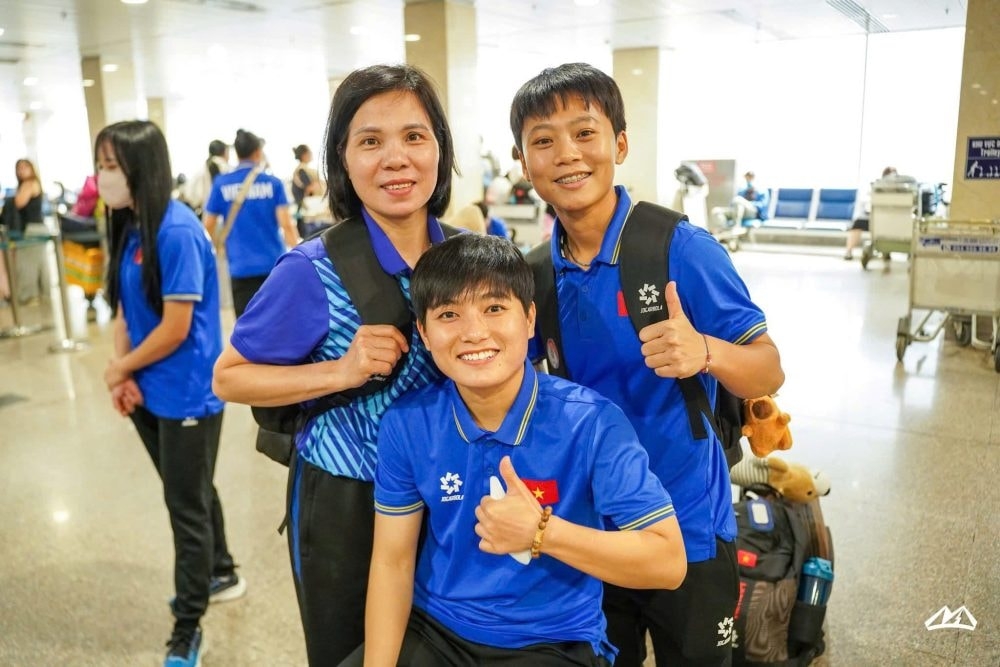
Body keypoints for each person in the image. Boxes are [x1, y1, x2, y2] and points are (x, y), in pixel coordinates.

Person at [511, 63, 784, 666]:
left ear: (620, 144)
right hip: (590, 527)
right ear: (523, 162)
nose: (566, 155)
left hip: (687, 524)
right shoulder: (531, 275)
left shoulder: (681, 250)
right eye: (543, 141)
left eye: (585, 132)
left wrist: (705, 352)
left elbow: (768, 370)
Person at [211, 63, 459, 666]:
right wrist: (341, 370)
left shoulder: (465, 258)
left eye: (414, 136)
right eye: (370, 141)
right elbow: (229, 375)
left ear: (440, 151)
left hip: (454, 493)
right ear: (343, 161)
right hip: (351, 503)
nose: (395, 158)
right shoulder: (311, 270)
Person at [354, 234, 686, 667]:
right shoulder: (408, 422)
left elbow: (668, 560)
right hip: (437, 629)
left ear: (529, 319)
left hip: (551, 641)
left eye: (494, 309)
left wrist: (542, 534)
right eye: (449, 314)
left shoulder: (591, 423)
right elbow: (393, 562)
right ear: (424, 332)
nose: (474, 333)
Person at [95, 120, 244, 667]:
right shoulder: (132, 224)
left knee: (184, 506)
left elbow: (176, 328)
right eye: (102, 165)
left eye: (112, 166)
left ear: (143, 168)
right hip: (150, 389)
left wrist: (119, 370)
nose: (103, 177)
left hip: (186, 394)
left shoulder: (177, 231)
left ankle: (188, 624)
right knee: (192, 488)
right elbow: (123, 309)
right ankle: (222, 570)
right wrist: (126, 372)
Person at [203, 129, 298, 316]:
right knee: (277, 322)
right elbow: (286, 224)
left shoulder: (222, 183)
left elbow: (208, 225)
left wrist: (215, 251)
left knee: (246, 328)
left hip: (239, 267)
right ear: (257, 152)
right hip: (273, 265)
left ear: (236, 153)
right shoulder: (273, 183)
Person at [0, 158, 47, 304]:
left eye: (25, 167)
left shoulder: (29, 184)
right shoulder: (28, 184)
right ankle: (39, 295)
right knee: (37, 264)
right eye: (19, 168)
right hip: (34, 228)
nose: (21, 171)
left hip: (33, 229)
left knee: (27, 265)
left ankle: (28, 296)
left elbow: (19, 202)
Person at [844, 165, 897, 260]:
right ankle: (849, 251)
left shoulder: (902, 189)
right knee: (858, 223)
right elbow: (868, 206)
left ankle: (887, 251)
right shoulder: (876, 188)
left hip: (893, 219)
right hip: (876, 217)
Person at [180, 139, 230, 216]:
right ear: (224, 153)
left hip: (207, 218)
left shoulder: (202, 170)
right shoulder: (230, 170)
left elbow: (190, 196)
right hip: (227, 217)